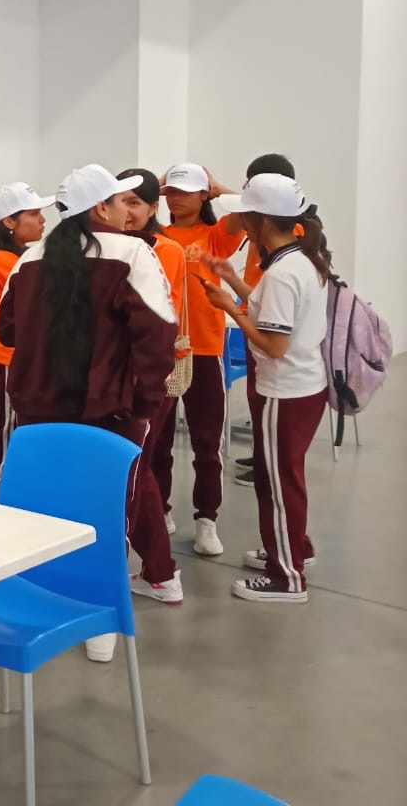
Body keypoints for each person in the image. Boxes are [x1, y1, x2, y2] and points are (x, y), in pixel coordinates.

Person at [0, 164, 177, 660]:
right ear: (101, 207)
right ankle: (100, 620)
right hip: (110, 411)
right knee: (108, 508)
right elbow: (158, 333)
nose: (128, 212)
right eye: (121, 202)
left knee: (49, 504)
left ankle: (43, 599)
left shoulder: (29, 258)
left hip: (39, 408)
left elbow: (7, 330)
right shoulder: (133, 253)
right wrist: (145, 402)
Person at [201, 174, 329, 603]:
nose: (238, 221)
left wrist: (229, 308)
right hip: (304, 386)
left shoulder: (283, 273)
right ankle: (294, 550)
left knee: (276, 485)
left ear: (261, 221)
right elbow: (270, 310)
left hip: (284, 391)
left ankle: (285, 577)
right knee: (285, 478)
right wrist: (233, 282)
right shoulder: (301, 259)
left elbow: (274, 345)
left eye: (244, 215)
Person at [153, 163, 245, 557]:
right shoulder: (155, 236)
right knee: (157, 442)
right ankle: (159, 510)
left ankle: (206, 519)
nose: (176, 198)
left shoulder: (215, 235)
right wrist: (153, 185)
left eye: (186, 191)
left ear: (203, 195)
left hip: (205, 349)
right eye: (171, 191)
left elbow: (246, 209)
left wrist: (219, 188)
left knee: (207, 445)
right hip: (162, 350)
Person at [117, 168, 187, 603]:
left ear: (153, 208)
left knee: (135, 472)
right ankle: (159, 571)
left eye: (135, 203)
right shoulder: (114, 246)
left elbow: (158, 317)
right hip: (120, 376)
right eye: (118, 201)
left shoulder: (166, 250)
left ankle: (159, 572)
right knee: (135, 472)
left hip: (144, 376)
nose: (125, 211)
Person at [0, 183, 53, 500]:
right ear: (9, 221)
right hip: (4, 360)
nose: (42, 220)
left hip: (16, 360)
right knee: (9, 443)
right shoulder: (0, 260)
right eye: (33, 214)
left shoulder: (16, 256)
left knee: (21, 439)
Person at [233, 153, 297, 485]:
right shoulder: (265, 228)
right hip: (257, 313)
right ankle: (262, 455)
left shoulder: (289, 238)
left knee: (268, 398)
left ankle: (268, 464)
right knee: (256, 396)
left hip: (269, 321)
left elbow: (276, 346)